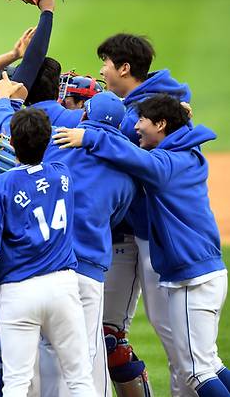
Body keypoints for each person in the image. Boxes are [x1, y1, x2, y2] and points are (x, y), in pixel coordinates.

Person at [53, 94, 230, 397]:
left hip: (193, 278)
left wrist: (88, 136)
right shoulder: (185, 148)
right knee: (209, 363)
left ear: (161, 124)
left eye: (143, 121)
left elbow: (135, 158)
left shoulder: (168, 163)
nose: (136, 127)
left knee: (197, 371)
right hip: (202, 273)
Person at [0, 107, 96, 396]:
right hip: (63, 287)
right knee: (80, 378)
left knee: (16, 383)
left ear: (13, 144)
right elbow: (31, 182)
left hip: (20, 292)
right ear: (48, 140)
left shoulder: (0, 187)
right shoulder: (62, 174)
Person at [96, 33, 192, 395]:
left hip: (156, 236)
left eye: (106, 63)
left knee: (180, 343)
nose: (103, 70)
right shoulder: (152, 103)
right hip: (128, 234)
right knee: (108, 335)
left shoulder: (149, 112)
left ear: (124, 67)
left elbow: (119, 150)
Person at [40, 91, 137, 396]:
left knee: (46, 349)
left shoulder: (54, 143)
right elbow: (116, 216)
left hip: (46, 265)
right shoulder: (126, 174)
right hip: (88, 273)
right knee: (85, 356)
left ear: (85, 116)